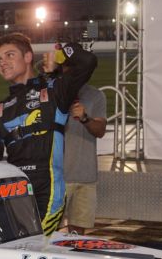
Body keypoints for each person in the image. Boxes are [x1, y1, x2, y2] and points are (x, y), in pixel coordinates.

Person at [0, 32, 97, 236]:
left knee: (33, 244)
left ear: (28, 57)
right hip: (12, 191)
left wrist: (62, 55)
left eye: (10, 55)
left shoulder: (54, 91)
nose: (3, 63)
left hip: (48, 189)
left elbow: (87, 61)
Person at [62, 84, 106, 235]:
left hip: (85, 176)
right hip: (56, 177)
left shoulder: (95, 95)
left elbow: (100, 131)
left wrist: (85, 118)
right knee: (48, 232)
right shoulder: (50, 92)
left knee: (77, 235)